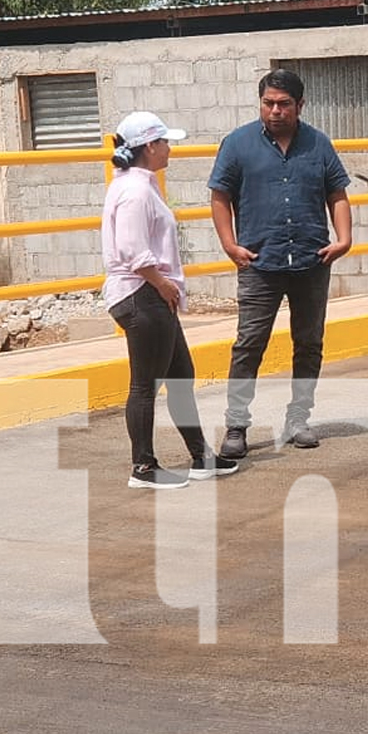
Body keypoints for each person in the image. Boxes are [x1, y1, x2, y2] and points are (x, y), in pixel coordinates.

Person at [208, 69, 352, 459]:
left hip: (311, 260)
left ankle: (298, 419)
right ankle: (236, 424)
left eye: (284, 104)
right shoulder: (237, 144)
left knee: (308, 344)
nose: (275, 111)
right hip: (259, 263)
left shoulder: (319, 145)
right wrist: (229, 245)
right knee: (248, 344)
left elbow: (336, 193)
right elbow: (220, 197)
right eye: (268, 103)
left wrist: (344, 239)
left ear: (300, 106)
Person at [102, 111, 238, 489]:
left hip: (150, 294)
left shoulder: (138, 183)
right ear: (149, 146)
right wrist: (161, 284)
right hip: (141, 293)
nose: (168, 148)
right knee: (145, 384)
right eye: (164, 142)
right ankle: (143, 467)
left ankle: (201, 456)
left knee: (180, 376)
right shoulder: (135, 190)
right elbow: (133, 249)